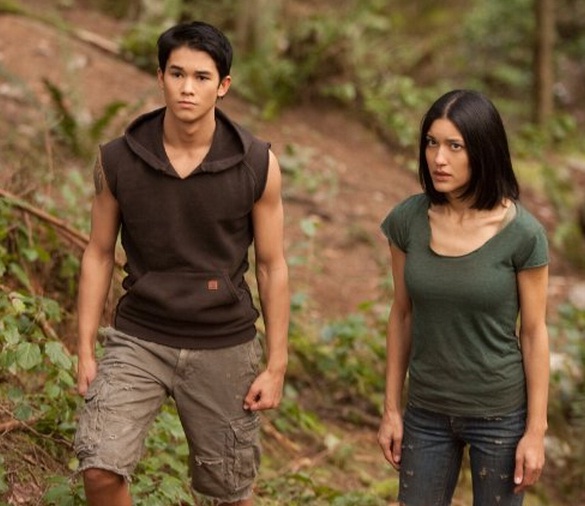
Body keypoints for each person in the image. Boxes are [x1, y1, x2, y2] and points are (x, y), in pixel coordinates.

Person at [74, 21, 289, 506]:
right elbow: (99, 253)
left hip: (224, 342)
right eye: (177, 74)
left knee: (229, 494)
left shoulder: (257, 163)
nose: (187, 88)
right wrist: (85, 349)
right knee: (100, 468)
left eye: (201, 77)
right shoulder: (118, 160)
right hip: (140, 336)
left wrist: (276, 363)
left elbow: (272, 266)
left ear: (223, 85)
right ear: (160, 77)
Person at [377, 89, 549, 505]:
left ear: (484, 151)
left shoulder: (523, 234)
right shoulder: (407, 221)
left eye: (455, 146)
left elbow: (533, 333)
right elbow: (402, 315)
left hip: (500, 416)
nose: (439, 159)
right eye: (431, 143)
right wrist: (392, 409)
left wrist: (535, 430)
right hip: (426, 413)